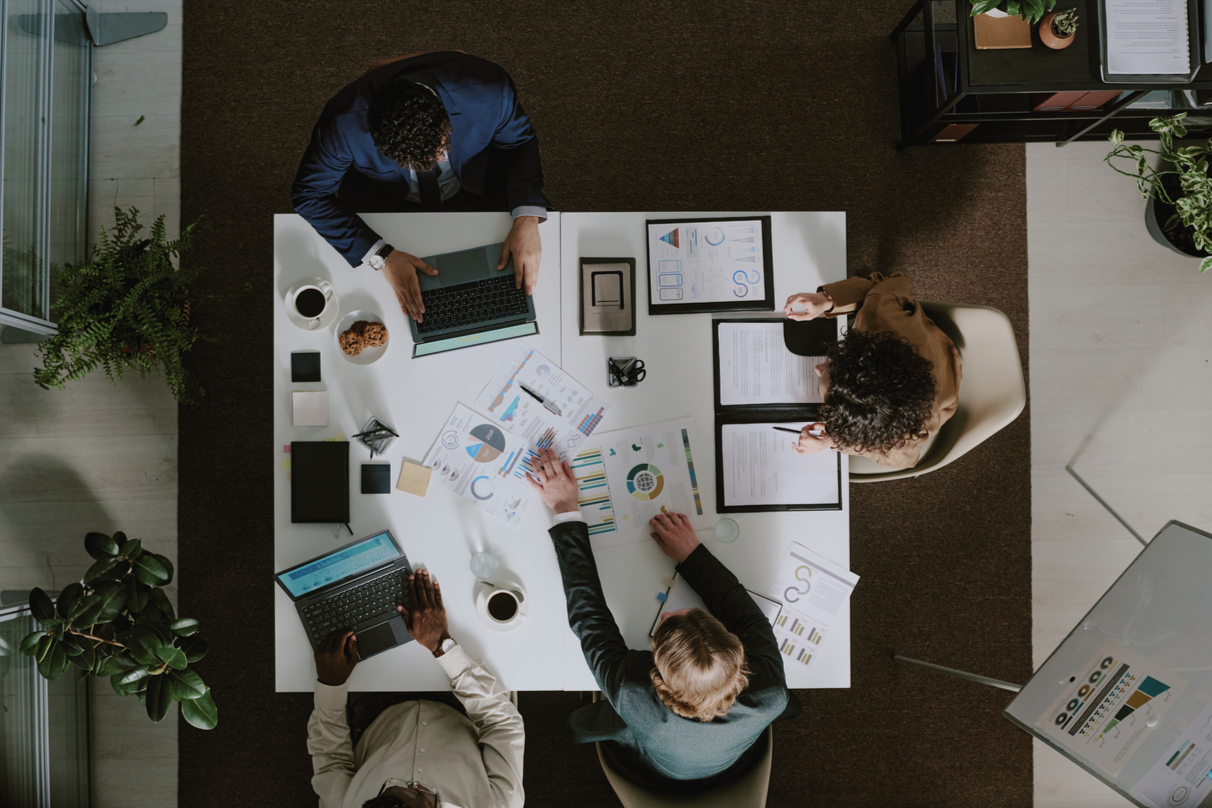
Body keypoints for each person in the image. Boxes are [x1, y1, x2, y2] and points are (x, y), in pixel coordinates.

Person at [525, 447, 793, 789]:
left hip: (661, 767)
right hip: (723, 757)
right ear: (733, 644)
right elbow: (748, 617)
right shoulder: (771, 691)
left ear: (657, 674)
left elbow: (588, 616)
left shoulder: (632, 691)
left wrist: (565, 511)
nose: (666, 613)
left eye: (664, 625)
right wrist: (692, 556)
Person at [292, 51, 550, 323]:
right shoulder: (342, 123)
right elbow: (309, 194)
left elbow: (520, 143)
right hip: (390, 207)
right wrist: (381, 256)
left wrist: (527, 218)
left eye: (439, 150)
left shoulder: (489, 90)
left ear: (447, 121)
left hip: (477, 189)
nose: (431, 165)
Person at [307, 569, 524, 808]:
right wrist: (442, 645)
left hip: (377, 702)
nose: (416, 782)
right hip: (464, 705)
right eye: (423, 792)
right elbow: (502, 723)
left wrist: (331, 684)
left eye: (389, 784)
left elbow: (331, 760)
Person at [783, 270, 963, 470]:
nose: (818, 368)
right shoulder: (879, 314)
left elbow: (905, 462)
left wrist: (835, 441)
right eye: (832, 364)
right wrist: (827, 300)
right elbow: (890, 283)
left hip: (942, 377)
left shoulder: (910, 429)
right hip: (935, 356)